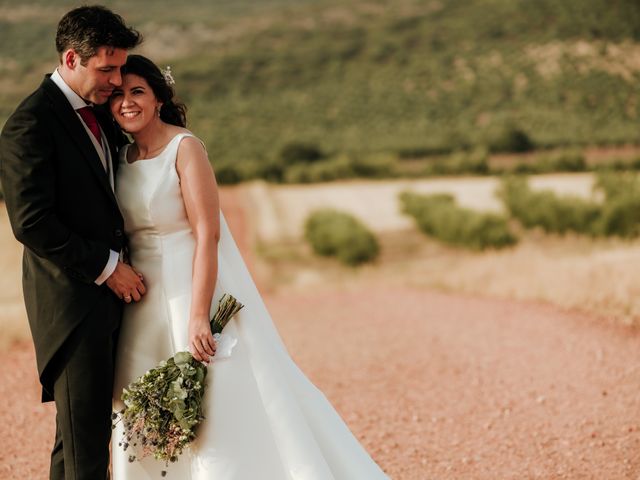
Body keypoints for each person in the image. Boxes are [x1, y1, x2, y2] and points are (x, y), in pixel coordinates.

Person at [109, 54, 389, 479]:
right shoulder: (122, 157)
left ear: (159, 99)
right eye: (117, 94)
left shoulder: (185, 148)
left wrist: (200, 314)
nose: (127, 102)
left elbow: (208, 234)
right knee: (145, 408)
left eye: (137, 92)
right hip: (140, 304)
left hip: (189, 287)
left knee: (218, 403)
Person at [0, 6, 144, 480]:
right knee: (86, 448)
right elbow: (32, 222)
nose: (116, 79)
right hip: (72, 305)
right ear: (71, 58)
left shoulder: (97, 113)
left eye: (120, 67)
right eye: (107, 69)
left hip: (102, 302)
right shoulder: (31, 124)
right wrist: (108, 267)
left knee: (80, 441)